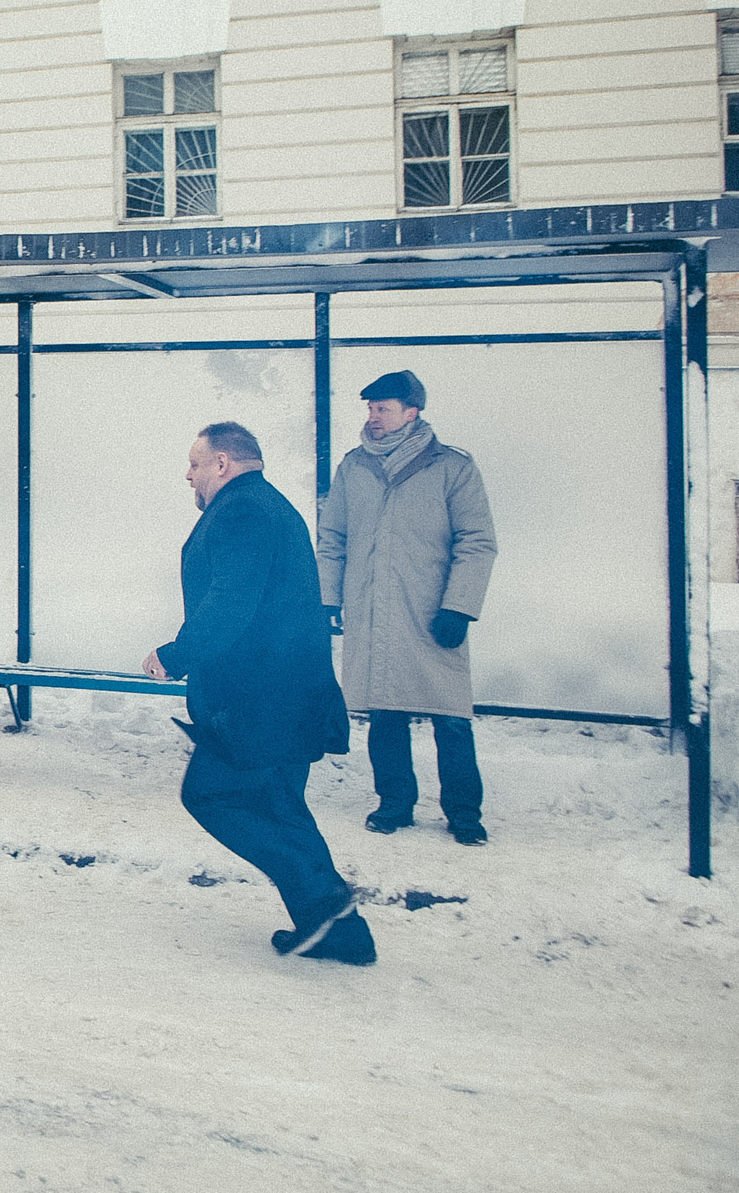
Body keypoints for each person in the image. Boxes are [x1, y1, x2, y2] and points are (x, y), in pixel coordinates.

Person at [144, 422, 372, 965]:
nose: (189, 474)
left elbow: (231, 602)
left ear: (222, 463)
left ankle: (329, 904)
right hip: (288, 692)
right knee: (280, 807)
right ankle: (340, 930)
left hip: (261, 697)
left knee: (212, 795)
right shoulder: (269, 506)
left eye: (195, 463)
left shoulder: (243, 511)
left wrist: (176, 655)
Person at [317, 369, 498, 846]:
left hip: (431, 613)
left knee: (451, 718)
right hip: (372, 612)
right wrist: (327, 599)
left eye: (383, 409)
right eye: (371, 409)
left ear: (411, 412)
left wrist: (459, 606)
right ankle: (394, 803)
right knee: (385, 713)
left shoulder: (452, 467)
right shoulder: (353, 467)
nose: (373, 418)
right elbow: (332, 539)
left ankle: (463, 813)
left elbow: (477, 542)